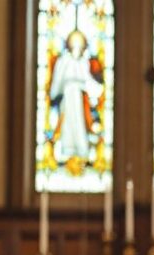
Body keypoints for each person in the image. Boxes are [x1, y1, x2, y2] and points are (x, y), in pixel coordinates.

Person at [49, 30, 103, 161]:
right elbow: (58, 80)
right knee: (68, 121)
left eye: (80, 47)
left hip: (78, 97)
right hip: (68, 96)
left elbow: (87, 80)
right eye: (75, 46)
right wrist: (54, 93)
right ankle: (67, 148)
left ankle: (80, 148)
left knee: (79, 121)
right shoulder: (64, 61)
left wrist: (97, 90)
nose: (77, 50)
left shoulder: (83, 62)